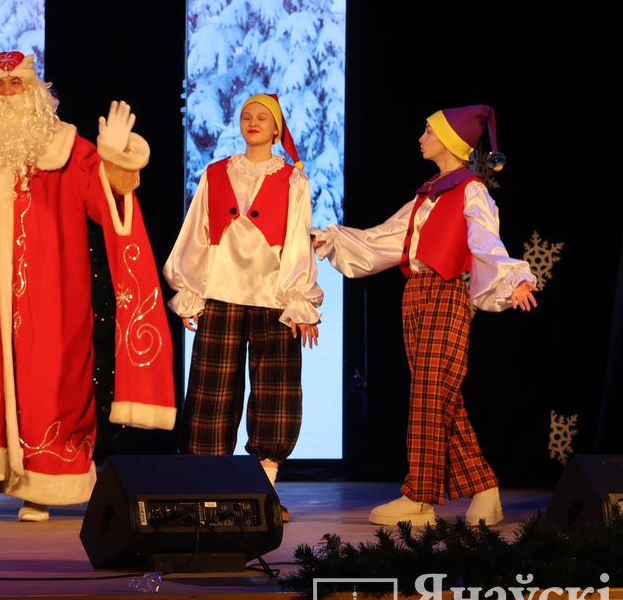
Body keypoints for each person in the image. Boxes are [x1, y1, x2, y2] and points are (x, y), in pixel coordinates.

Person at [0, 51, 176, 522]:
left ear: (35, 93)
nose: (8, 93)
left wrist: (114, 162)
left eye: (17, 84)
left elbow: (106, 205)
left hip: (50, 298)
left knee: (50, 388)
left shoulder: (67, 150)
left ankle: (42, 488)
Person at [312, 104, 537, 526]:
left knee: (431, 394)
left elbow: (486, 240)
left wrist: (514, 279)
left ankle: (420, 498)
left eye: (428, 131)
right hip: (415, 293)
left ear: (449, 141)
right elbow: (385, 238)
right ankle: (485, 490)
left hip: (446, 292)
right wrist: (332, 239)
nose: (421, 138)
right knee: (438, 396)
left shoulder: (471, 191)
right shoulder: (427, 194)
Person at [163, 94, 322, 518]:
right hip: (221, 293)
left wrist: (299, 299)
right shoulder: (216, 173)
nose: (253, 122)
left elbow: (297, 240)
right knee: (211, 395)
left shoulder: (292, 179)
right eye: (247, 116)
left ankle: (263, 492)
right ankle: (207, 492)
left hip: (274, 298)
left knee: (275, 394)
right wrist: (191, 290)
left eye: (262, 117)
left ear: (276, 129)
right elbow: (196, 232)